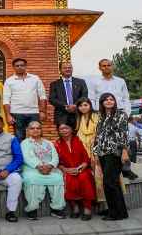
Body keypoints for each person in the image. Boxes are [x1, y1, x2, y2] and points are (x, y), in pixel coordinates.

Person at [93, 93, 133, 221]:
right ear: (102, 102)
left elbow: (124, 134)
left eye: (111, 99)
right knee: (110, 183)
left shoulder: (121, 114)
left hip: (115, 152)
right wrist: (96, 153)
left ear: (115, 102)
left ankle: (116, 213)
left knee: (110, 183)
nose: (109, 101)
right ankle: (117, 211)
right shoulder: (102, 117)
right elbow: (98, 137)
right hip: (103, 153)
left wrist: (125, 151)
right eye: (106, 99)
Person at [21, 120, 66, 220]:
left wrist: (50, 166)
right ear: (28, 130)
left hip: (50, 169)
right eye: (32, 128)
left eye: (38, 128)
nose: (35, 130)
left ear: (41, 130)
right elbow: (27, 158)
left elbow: (55, 157)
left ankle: (57, 209)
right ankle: (32, 209)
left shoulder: (48, 143)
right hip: (32, 169)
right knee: (32, 179)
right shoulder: (25, 143)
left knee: (58, 178)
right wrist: (39, 166)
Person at [55, 123, 95, 220]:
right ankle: (75, 207)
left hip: (82, 168)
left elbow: (86, 158)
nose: (64, 130)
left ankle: (87, 208)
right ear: (59, 131)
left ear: (71, 129)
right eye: (61, 129)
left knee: (84, 178)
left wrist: (82, 166)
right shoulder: (57, 144)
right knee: (69, 179)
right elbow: (56, 161)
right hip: (66, 170)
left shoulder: (78, 140)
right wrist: (65, 169)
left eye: (66, 128)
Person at [3, 58, 47, 141]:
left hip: (34, 112)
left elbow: (42, 96)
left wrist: (43, 111)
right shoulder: (9, 81)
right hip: (17, 113)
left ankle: (36, 153)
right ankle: (21, 154)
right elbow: (6, 100)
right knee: (19, 137)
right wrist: (8, 115)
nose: (20, 67)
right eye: (17, 66)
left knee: (36, 135)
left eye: (22, 65)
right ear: (13, 67)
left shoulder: (35, 78)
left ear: (25, 66)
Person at [74, 98, 104, 211]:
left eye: (85, 105)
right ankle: (93, 204)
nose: (83, 107)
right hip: (84, 154)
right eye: (80, 105)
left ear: (90, 106)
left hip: (97, 152)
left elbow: (100, 136)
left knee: (100, 178)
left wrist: (95, 154)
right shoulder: (79, 118)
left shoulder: (97, 117)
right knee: (89, 179)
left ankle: (104, 206)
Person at [49, 61, 88, 128]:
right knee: (64, 137)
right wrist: (65, 106)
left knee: (79, 137)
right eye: (65, 68)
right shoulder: (54, 84)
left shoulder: (81, 82)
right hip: (61, 115)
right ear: (60, 70)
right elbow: (52, 99)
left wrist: (75, 105)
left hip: (78, 114)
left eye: (69, 67)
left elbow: (84, 96)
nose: (67, 69)